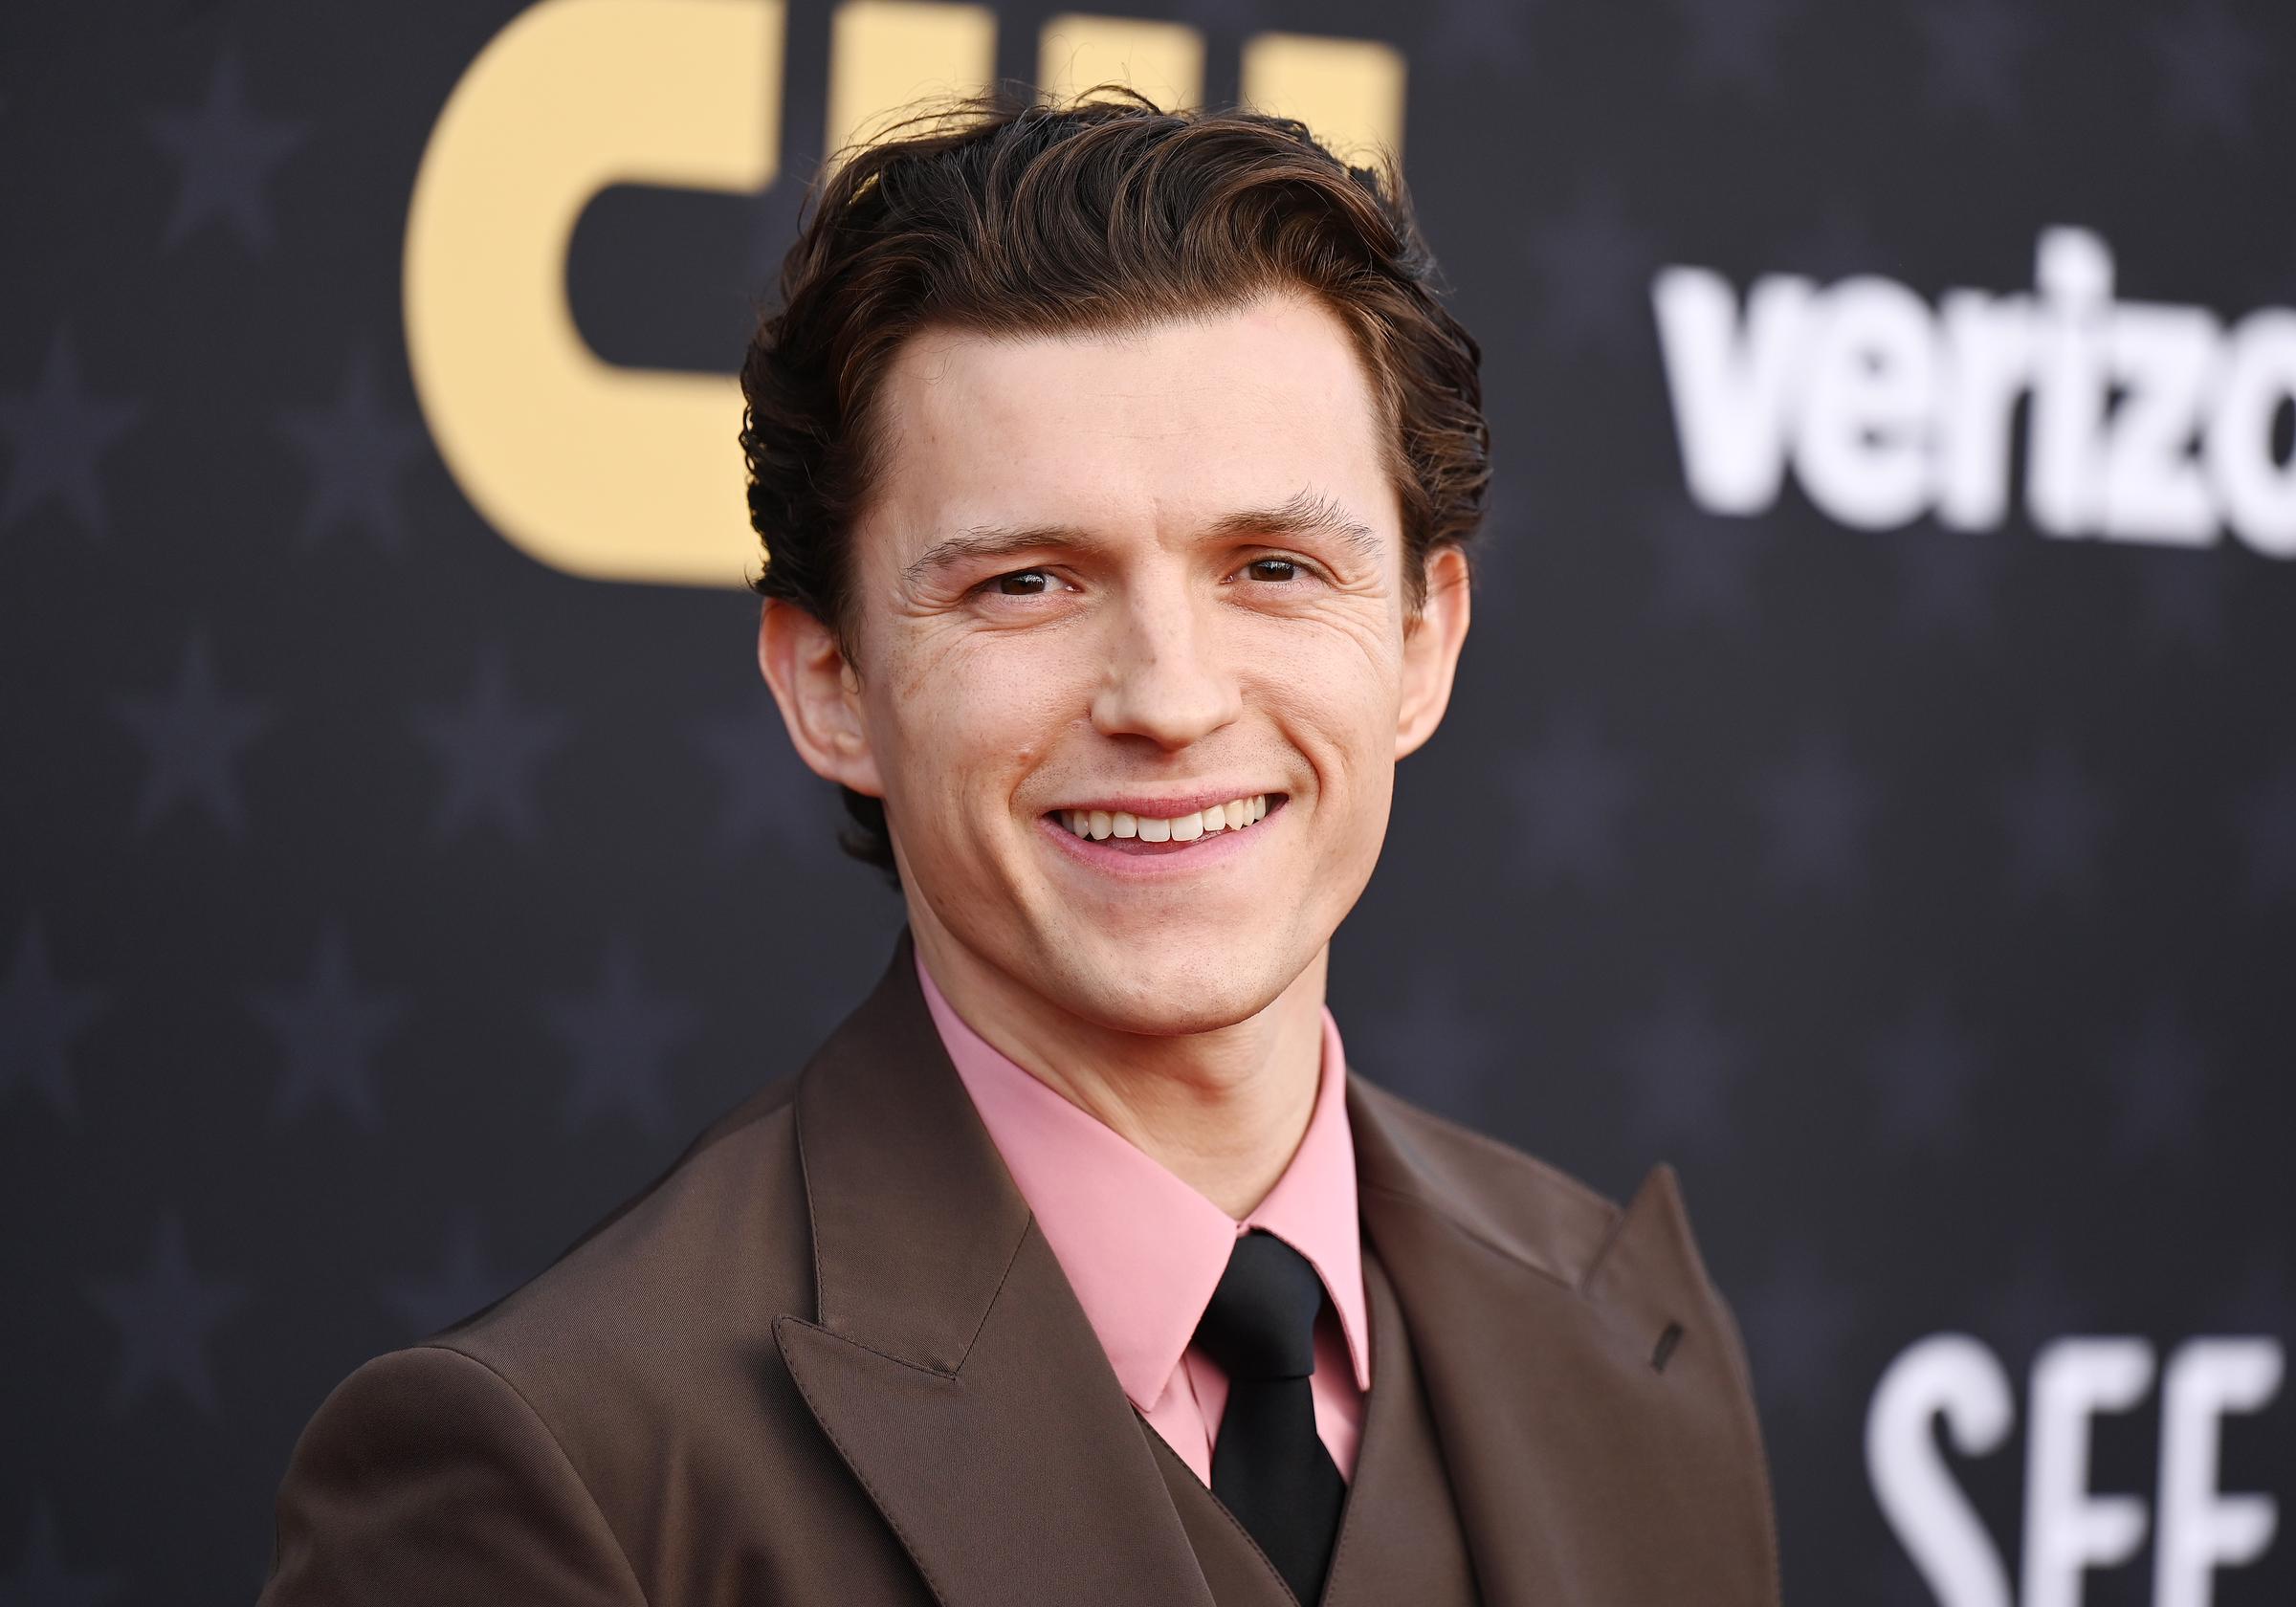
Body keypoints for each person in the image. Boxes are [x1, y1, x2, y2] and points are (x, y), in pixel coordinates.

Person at [258, 87, 1778, 1606]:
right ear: (831, 685)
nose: (1170, 701)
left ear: (1423, 642)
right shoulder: (562, 1472)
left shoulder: (1627, 1340)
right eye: (1028, 585)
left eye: (1272, 566)